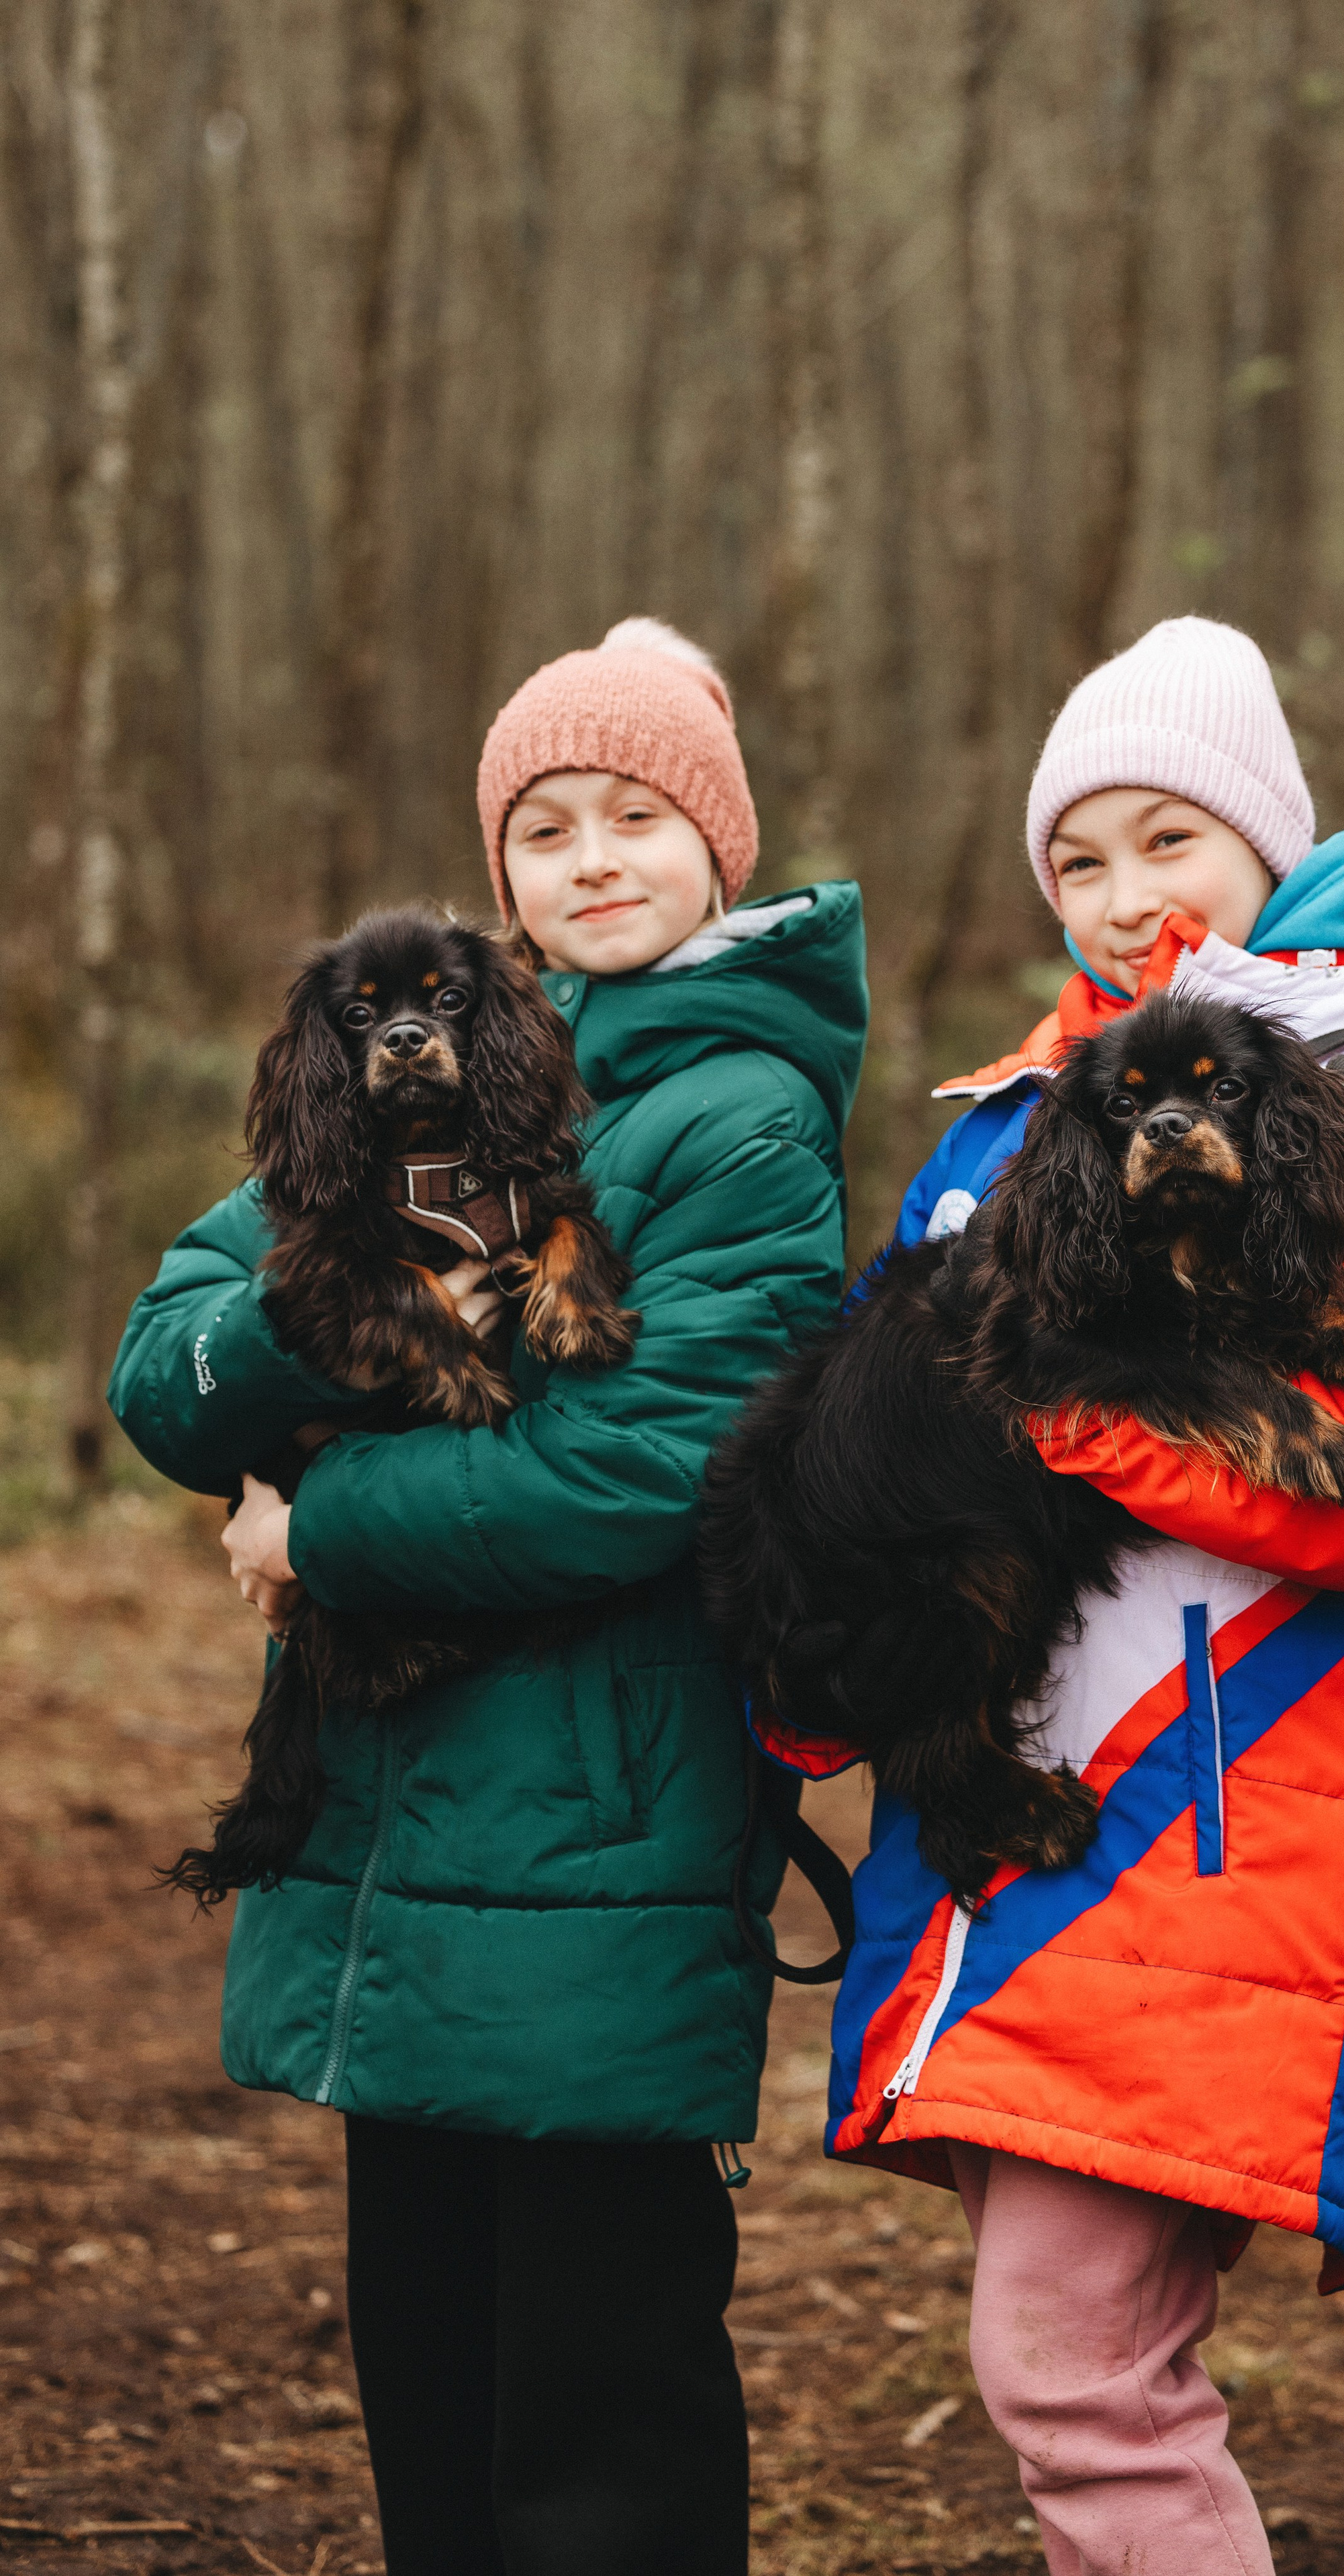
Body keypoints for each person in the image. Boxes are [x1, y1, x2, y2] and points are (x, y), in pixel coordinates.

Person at [755, 618, 1344, 2575]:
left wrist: (1047, 1406)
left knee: (1075, 2380)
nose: (1126, 902)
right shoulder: (1016, 1120)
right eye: (1080, 863)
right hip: (1017, 1824)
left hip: (1225, 1825)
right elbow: (878, 1428)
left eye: (1168, 841)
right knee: (1072, 2375)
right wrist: (821, 1664)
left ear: (1268, 842)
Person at [109, 619, 869, 2576]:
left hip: (608, 1846)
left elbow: (656, 1468)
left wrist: (321, 1529)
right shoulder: (413, 1052)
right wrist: (307, 1331)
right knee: (431, 2390)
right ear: (501, 869)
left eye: (636, 817)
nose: (594, 857)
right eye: (547, 827)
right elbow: (164, 1365)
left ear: (718, 844)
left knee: (602, 2423)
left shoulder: (741, 1119)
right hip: (384, 1836)